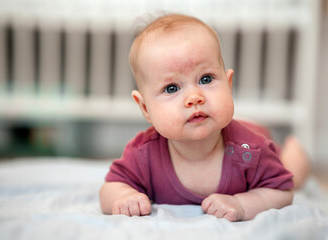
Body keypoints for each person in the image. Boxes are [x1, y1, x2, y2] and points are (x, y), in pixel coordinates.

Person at [99, 14, 310, 221]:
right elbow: (110, 187)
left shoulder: (251, 150)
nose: (194, 98)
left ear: (228, 84)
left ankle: (293, 148)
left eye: (206, 79)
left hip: (252, 132)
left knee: (294, 175)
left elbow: (282, 189)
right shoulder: (142, 153)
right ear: (145, 108)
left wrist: (242, 204)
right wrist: (124, 196)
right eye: (171, 88)